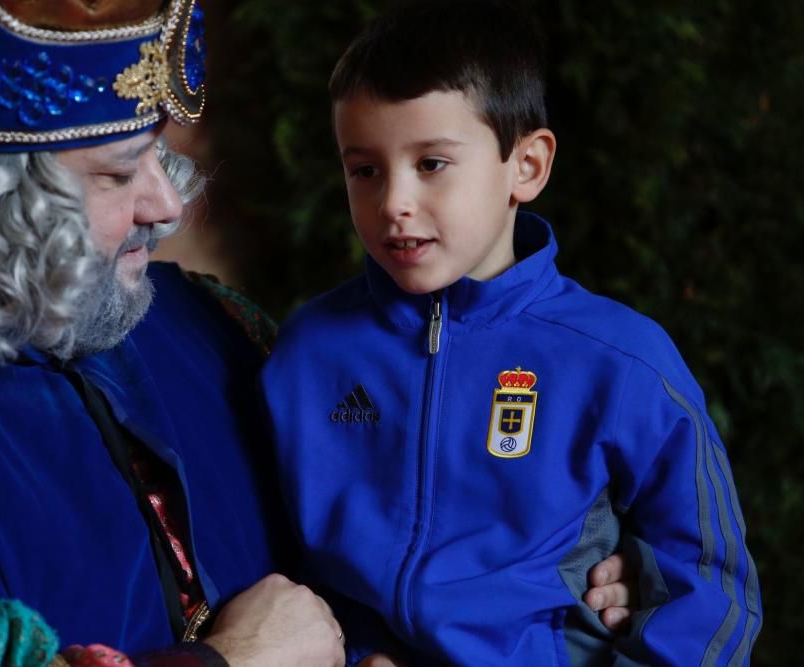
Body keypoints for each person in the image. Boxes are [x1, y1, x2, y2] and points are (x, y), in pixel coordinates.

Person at [0, 1, 633, 665]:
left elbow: (425, 509)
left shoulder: (213, 324)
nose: (166, 204)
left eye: (159, 151)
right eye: (119, 172)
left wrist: (582, 555)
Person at [259, 1, 762, 665]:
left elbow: (710, 589)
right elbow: (274, 564)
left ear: (526, 166)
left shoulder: (621, 362)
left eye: (431, 163)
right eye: (365, 169)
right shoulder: (305, 355)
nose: (393, 203)